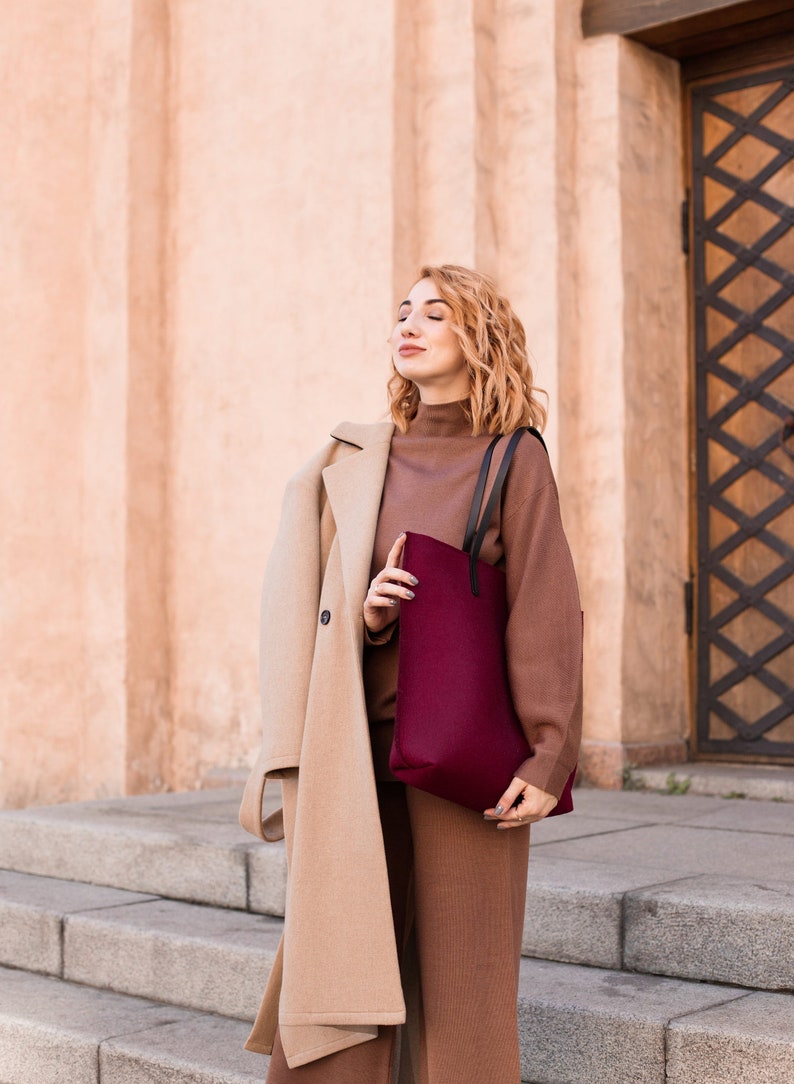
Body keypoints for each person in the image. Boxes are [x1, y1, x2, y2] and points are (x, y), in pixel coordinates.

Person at [239, 264, 583, 1083]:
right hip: (359, 741)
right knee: (341, 961)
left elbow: (545, 603)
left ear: (479, 337)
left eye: (436, 312)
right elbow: (318, 600)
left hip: (467, 753)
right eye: (404, 310)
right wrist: (370, 611)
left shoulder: (512, 458)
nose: (410, 323)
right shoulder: (360, 457)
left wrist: (548, 755)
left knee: (467, 981)